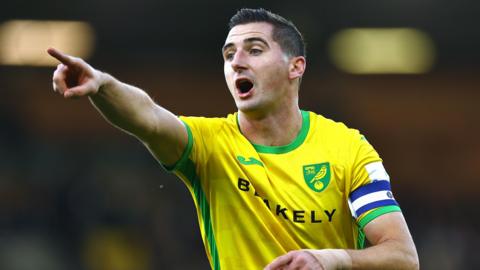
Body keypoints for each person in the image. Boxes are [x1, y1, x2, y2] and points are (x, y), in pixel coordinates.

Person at [48, 8, 419, 270]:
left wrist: (329, 259)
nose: (237, 62)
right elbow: (149, 118)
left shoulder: (347, 148)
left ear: (296, 66)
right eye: (229, 54)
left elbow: (403, 256)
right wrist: (102, 85)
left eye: (254, 50)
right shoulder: (210, 146)